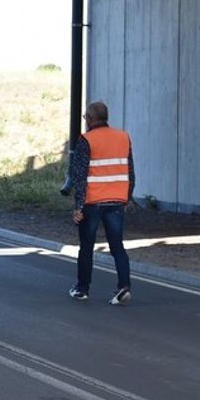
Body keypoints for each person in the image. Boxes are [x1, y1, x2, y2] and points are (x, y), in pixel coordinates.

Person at [68, 100, 134, 305]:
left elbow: (79, 176)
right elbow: (130, 173)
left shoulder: (86, 140)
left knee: (86, 246)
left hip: (93, 201)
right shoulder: (123, 137)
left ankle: (82, 288)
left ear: (89, 119)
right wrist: (126, 198)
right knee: (117, 246)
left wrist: (78, 207)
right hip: (116, 201)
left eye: (85, 117)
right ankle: (124, 287)